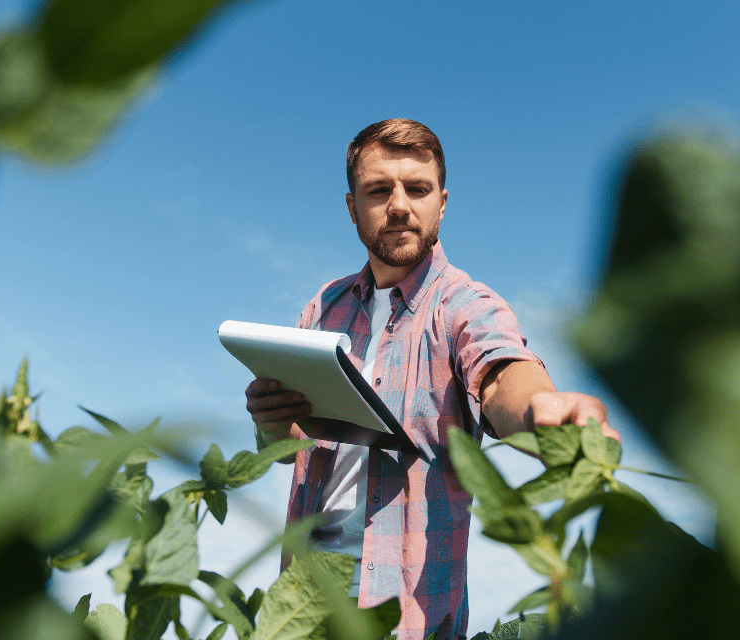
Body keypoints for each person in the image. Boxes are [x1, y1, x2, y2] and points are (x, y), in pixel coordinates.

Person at [244, 119, 617, 640]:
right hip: (304, 600)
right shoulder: (322, 307)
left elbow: (501, 373)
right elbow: (291, 453)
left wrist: (541, 412)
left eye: (416, 189)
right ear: (353, 207)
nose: (399, 205)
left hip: (406, 615)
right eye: (378, 190)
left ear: (441, 202)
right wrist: (270, 423)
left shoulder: (466, 305)